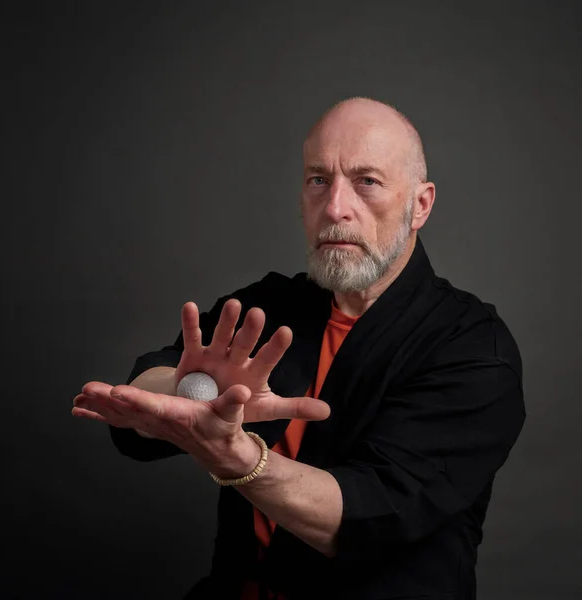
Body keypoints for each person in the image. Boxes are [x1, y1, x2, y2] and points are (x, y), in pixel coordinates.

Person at [73, 97, 526, 600]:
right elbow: (149, 388)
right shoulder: (269, 306)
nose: (335, 207)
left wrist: (238, 457)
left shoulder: (473, 348)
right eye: (318, 180)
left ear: (420, 205)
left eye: (366, 181)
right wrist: (184, 391)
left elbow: (370, 514)